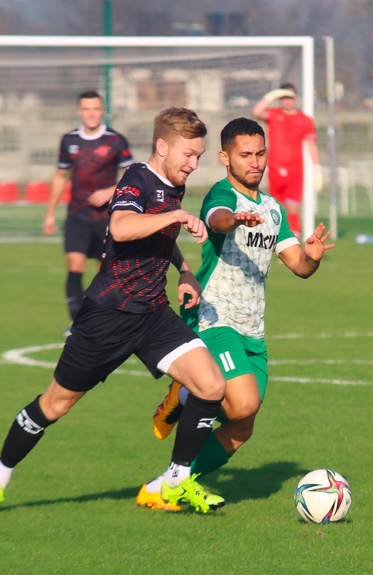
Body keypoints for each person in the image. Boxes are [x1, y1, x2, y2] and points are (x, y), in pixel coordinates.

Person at [0, 108, 228, 518]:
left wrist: (184, 271)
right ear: (162, 147)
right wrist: (178, 216)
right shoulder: (136, 178)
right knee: (54, 406)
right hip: (107, 316)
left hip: (152, 314)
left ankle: (177, 481)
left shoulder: (172, 183)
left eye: (199, 156)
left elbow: (158, 232)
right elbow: (125, 226)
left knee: (211, 386)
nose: (194, 164)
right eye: (188, 154)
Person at [136, 117, 334, 511]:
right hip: (213, 316)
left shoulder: (275, 210)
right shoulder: (221, 194)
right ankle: (190, 388)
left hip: (252, 329)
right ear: (226, 157)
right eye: (246, 155)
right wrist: (235, 219)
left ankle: (165, 484)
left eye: (260, 153)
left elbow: (297, 264)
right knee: (241, 402)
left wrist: (311, 258)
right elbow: (217, 219)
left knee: (243, 425)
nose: (255, 162)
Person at [44, 90, 134, 335]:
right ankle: (77, 322)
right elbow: (61, 176)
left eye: (95, 108)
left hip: (107, 217)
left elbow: (132, 175)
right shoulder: (68, 140)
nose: (91, 113)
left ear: (102, 110)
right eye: (86, 109)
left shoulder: (116, 140)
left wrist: (110, 191)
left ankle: (101, 319)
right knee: (74, 266)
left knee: (104, 272)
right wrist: (50, 213)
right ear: (79, 112)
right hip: (77, 215)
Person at [251, 83, 322, 239]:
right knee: (275, 208)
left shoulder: (304, 120)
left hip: (295, 171)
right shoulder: (273, 114)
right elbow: (257, 111)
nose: (287, 101)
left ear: (295, 98)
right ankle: (277, 241)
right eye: (283, 97)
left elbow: (312, 145)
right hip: (275, 169)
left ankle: (294, 243)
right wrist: (271, 95)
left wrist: (317, 169)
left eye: (289, 97)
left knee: (292, 208)